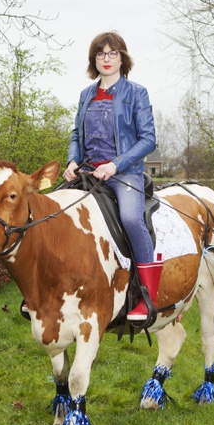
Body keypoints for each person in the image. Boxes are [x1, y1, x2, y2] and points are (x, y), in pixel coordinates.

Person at [64, 31, 160, 322]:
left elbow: (148, 139)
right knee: (49, 212)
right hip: (88, 172)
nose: (107, 59)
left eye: (113, 53)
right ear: (94, 59)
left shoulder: (136, 93)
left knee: (131, 219)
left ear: (122, 58)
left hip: (124, 174)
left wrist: (115, 166)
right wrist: (72, 159)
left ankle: (146, 296)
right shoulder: (86, 95)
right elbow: (76, 135)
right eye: (100, 53)